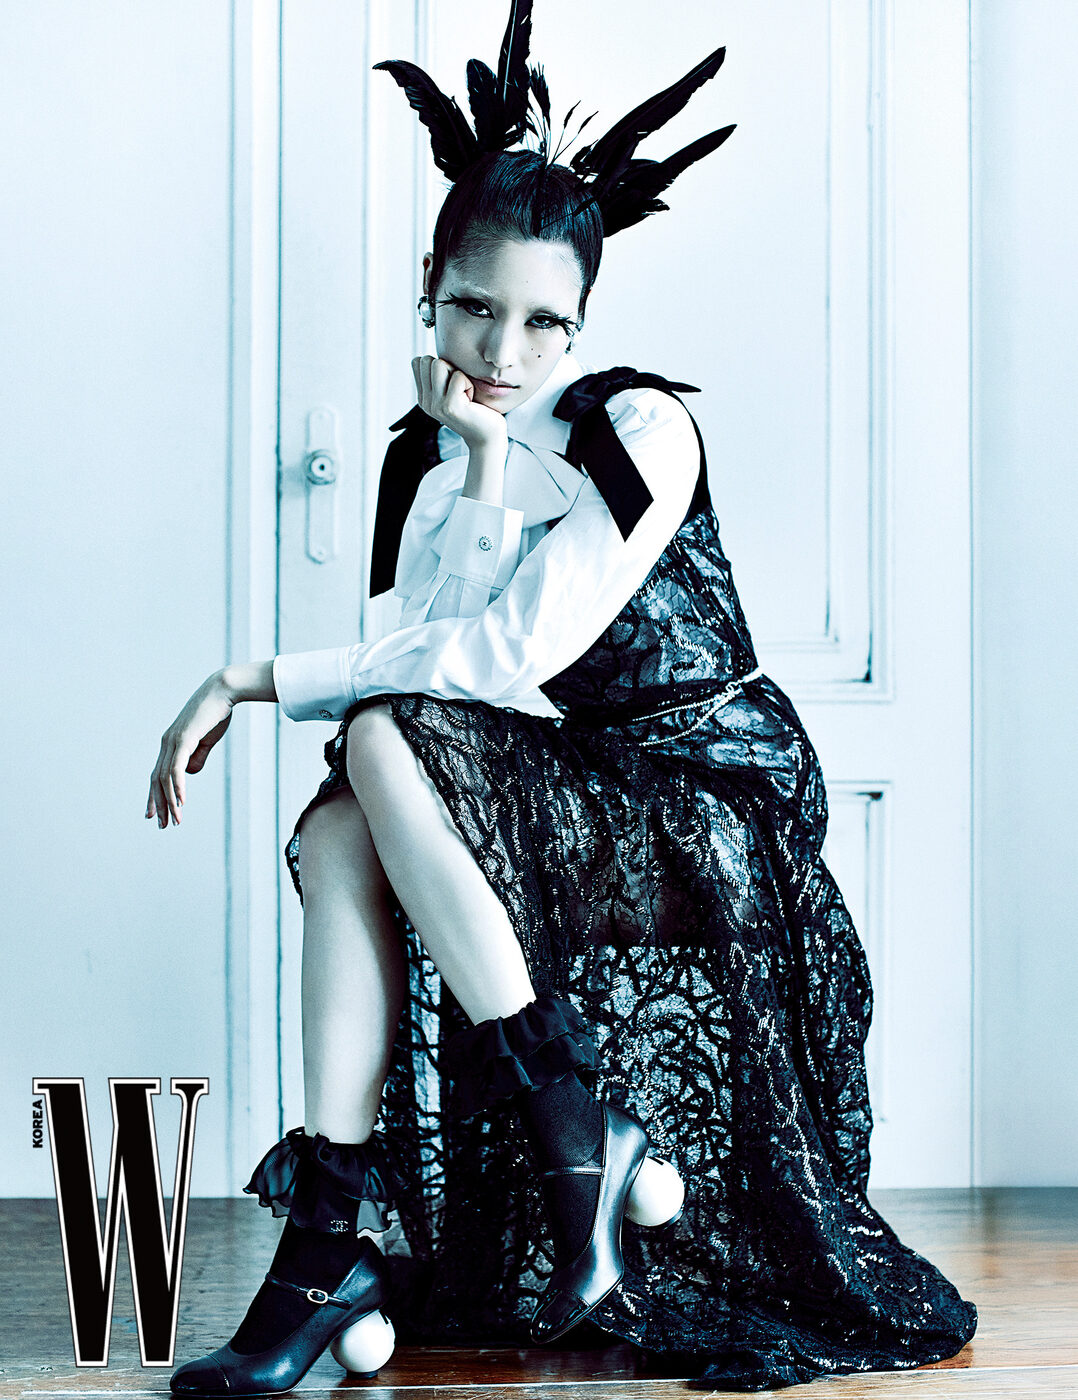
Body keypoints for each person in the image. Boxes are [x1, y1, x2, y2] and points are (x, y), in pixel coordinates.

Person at [151, 4, 979, 1393]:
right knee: (347, 815)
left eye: (546, 320)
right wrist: (476, 463)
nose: (506, 347)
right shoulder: (430, 457)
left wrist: (247, 677)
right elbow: (430, 653)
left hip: (705, 794)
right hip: (564, 788)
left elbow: (497, 664)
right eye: (475, 307)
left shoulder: (639, 429)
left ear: (585, 322)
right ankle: (339, 1237)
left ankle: (550, 1127)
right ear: (429, 285)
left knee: (379, 735)